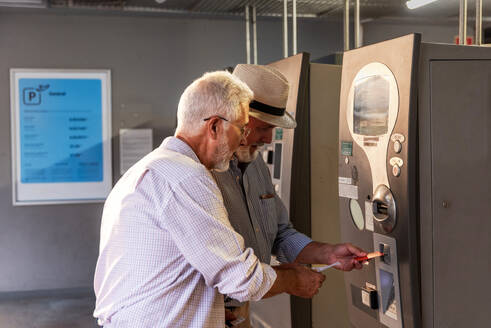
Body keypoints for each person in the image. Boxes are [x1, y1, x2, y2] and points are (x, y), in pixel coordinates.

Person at [93, 70, 325, 328]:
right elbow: (241, 278)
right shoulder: (187, 177)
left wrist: (209, 311)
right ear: (214, 126)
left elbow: (167, 272)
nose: (243, 139)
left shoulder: (153, 167)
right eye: (241, 128)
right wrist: (293, 280)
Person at [212, 64, 366, 326]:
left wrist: (329, 254)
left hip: (240, 313)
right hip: (207, 313)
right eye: (263, 128)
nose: (270, 139)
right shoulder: (203, 175)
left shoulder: (257, 165)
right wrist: (290, 280)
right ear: (237, 118)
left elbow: (280, 234)